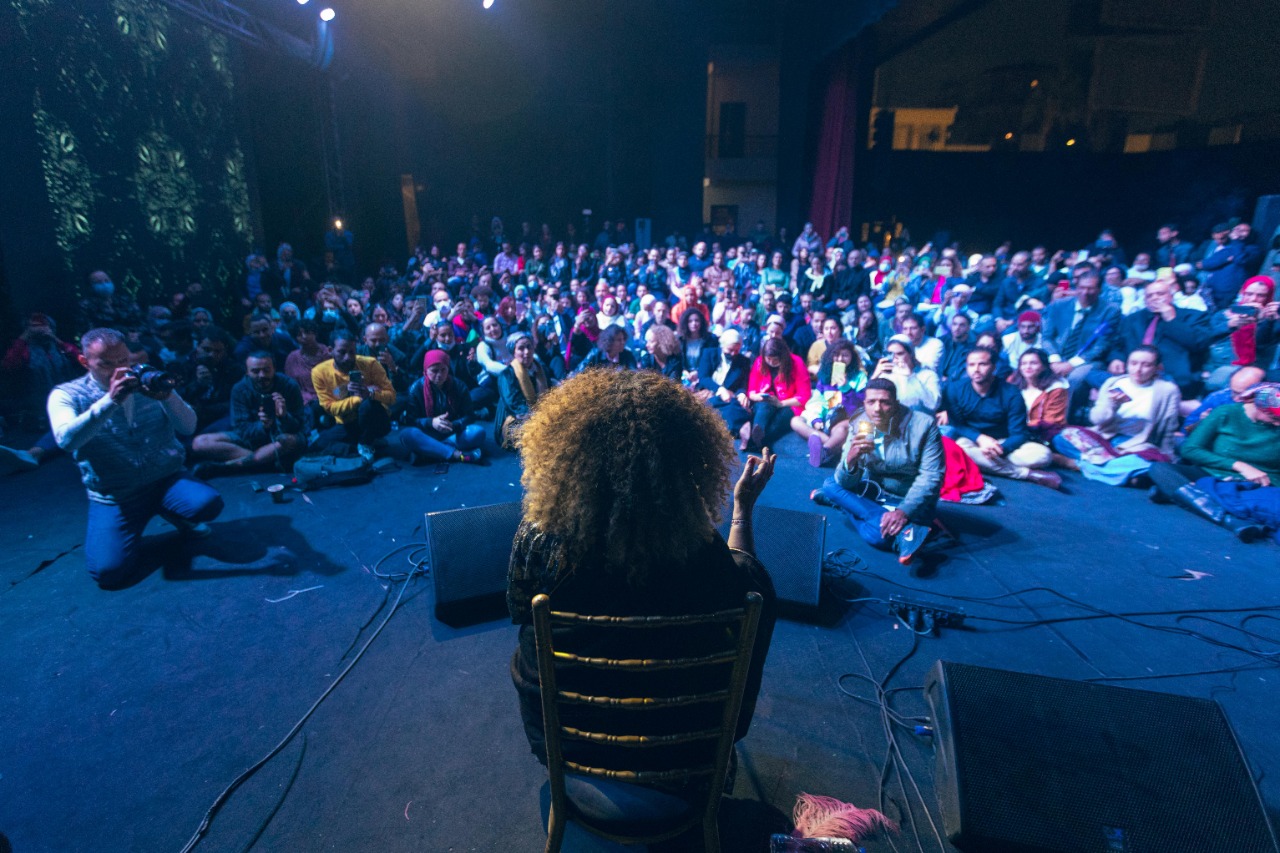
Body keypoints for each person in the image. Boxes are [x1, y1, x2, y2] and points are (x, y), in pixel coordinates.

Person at [506, 369, 778, 768]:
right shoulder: (698, 547)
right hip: (679, 741)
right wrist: (742, 510)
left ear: (566, 453)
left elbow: (519, 610)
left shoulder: (541, 539)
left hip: (567, 737)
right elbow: (747, 599)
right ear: (685, 457)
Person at [47, 328, 223, 588]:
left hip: (165, 479)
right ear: (85, 362)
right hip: (117, 495)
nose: (119, 370)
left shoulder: (147, 381)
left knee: (208, 504)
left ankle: (175, 513)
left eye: (123, 360)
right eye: (106, 364)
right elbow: (66, 441)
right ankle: (128, 530)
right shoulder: (67, 394)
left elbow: (188, 427)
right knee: (108, 573)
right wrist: (110, 401)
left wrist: (168, 398)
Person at [811, 377, 944, 564]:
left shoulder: (924, 425)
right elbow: (844, 482)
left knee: (876, 537)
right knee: (831, 484)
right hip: (874, 492)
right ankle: (904, 533)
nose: (877, 409)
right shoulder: (860, 422)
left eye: (884, 402)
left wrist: (903, 511)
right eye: (871, 402)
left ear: (896, 403)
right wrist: (851, 459)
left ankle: (843, 503)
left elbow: (931, 477)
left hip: (907, 498)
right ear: (864, 403)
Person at [1147, 383, 1280, 541]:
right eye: (1274, 418)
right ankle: (1227, 519)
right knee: (1160, 469)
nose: (1277, 423)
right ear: (1258, 406)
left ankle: (1181, 496)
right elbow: (1190, 449)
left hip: (1259, 483)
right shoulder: (1225, 413)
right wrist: (1239, 465)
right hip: (1211, 473)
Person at [1054, 346, 1180, 485]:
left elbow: (1169, 428)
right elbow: (1096, 419)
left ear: (1157, 368)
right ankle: (1121, 472)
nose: (1138, 369)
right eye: (1133, 363)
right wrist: (1112, 405)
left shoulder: (1167, 390)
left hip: (1137, 444)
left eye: (1146, 365)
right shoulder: (1114, 382)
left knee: (1150, 463)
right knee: (1062, 437)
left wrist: (1168, 456)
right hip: (1105, 437)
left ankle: (1079, 464)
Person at [939, 347, 1062, 489]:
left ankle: (982, 463)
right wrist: (980, 438)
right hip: (971, 440)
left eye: (982, 364)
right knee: (956, 450)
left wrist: (1001, 449)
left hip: (1003, 441)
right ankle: (1027, 474)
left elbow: (1019, 433)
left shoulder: (1011, 393)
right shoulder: (954, 389)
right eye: (971, 365)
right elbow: (957, 424)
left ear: (994, 367)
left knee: (1043, 455)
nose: (976, 369)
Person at [190, 352, 306, 478]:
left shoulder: (288, 386)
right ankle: (263, 461)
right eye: (256, 371)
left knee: (288, 441)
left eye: (266, 370)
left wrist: (284, 417)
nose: (262, 375)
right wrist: (262, 426)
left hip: (280, 438)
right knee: (199, 442)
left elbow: (300, 426)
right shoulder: (240, 389)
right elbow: (241, 429)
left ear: (274, 369)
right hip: (252, 440)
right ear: (247, 372)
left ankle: (228, 466)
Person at [1110, 276, 1209, 396]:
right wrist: (1116, 358)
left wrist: (1171, 320)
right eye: (1149, 296)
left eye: (1160, 294)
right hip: (1133, 373)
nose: (1155, 298)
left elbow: (1198, 344)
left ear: (1171, 296)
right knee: (1094, 375)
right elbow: (1118, 344)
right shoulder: (1132, 319)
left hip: (1171, 376)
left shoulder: (1194, 316)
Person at [311, 330, 396, 461]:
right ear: (330, 350)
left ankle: (366, 441)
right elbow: (329, 408)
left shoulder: (370, 364)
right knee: (318, 444)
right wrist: (357, 398)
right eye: (342, 352)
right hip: (346, 422)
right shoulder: (319, 372)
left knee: (368, 405)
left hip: (375, 418)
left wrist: (371, 394)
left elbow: (392, 397)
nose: (348, 357)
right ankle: (363, 444)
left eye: (352, 352)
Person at [397, 350, 486, 464]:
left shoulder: (459, 386)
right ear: (425, 370)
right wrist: (431, 422)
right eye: (434, 371)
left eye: (443, 370)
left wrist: (453, 424)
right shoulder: (415, 389)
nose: (439, 375)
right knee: (406, 434)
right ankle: (455, 454)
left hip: (451, 432)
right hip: (427, 433)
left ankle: (430, 451)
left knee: (478, 432)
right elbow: (411, 420)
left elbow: (469, 416)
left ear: (448, 369)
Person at [794, 340, 866, 467]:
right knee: (796, 421)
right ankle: (832, 443)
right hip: (825, 418)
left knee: (842, 428)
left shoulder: (860, 377)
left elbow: (859, 407)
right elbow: (817, 401)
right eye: (836, 355)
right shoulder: (825, 376)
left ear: (852, 357)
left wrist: (846, 388)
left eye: (845, 355)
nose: (840, 359)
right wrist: (816, 419)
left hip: (845, 418)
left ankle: (824, 451)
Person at [743, 337, 810, 452]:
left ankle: (752, 439)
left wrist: (781, 403)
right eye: (768, 359)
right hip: (765, 401)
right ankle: (757, 435)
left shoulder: (796, 362)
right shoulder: (759, 361)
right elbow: (751, 391)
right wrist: (759, 396)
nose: (771, 362)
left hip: (789, 403)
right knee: (764, 408)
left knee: (779, 420)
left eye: (775, 360)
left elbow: (804, 395)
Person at [494, 333, 548, 448]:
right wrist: (537, 416)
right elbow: (514, 404)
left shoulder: (540, 370)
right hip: (515, 419)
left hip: (538, 414)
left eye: (529, 347)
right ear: (513, 352)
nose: (526, 352)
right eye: (521, 348)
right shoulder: (507, 375)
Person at [871, 338, 940, 415]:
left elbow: (933, 404)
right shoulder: (885, 376)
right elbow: (869, 402)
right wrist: (875, 375)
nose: (894, 358)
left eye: (899, 354)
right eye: (890, 354)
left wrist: (911, 377)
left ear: (911, 354)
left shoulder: (928, 375)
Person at [1012, 348, 1069, 441]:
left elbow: (1051, 421)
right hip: (1014, 430)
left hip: (1042, 433)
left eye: (1033, 363)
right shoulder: (1012, 383)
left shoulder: (1056, 389)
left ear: (1044, 366)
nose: (1028, 367)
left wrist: (1019, 425)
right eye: (1023, 363)